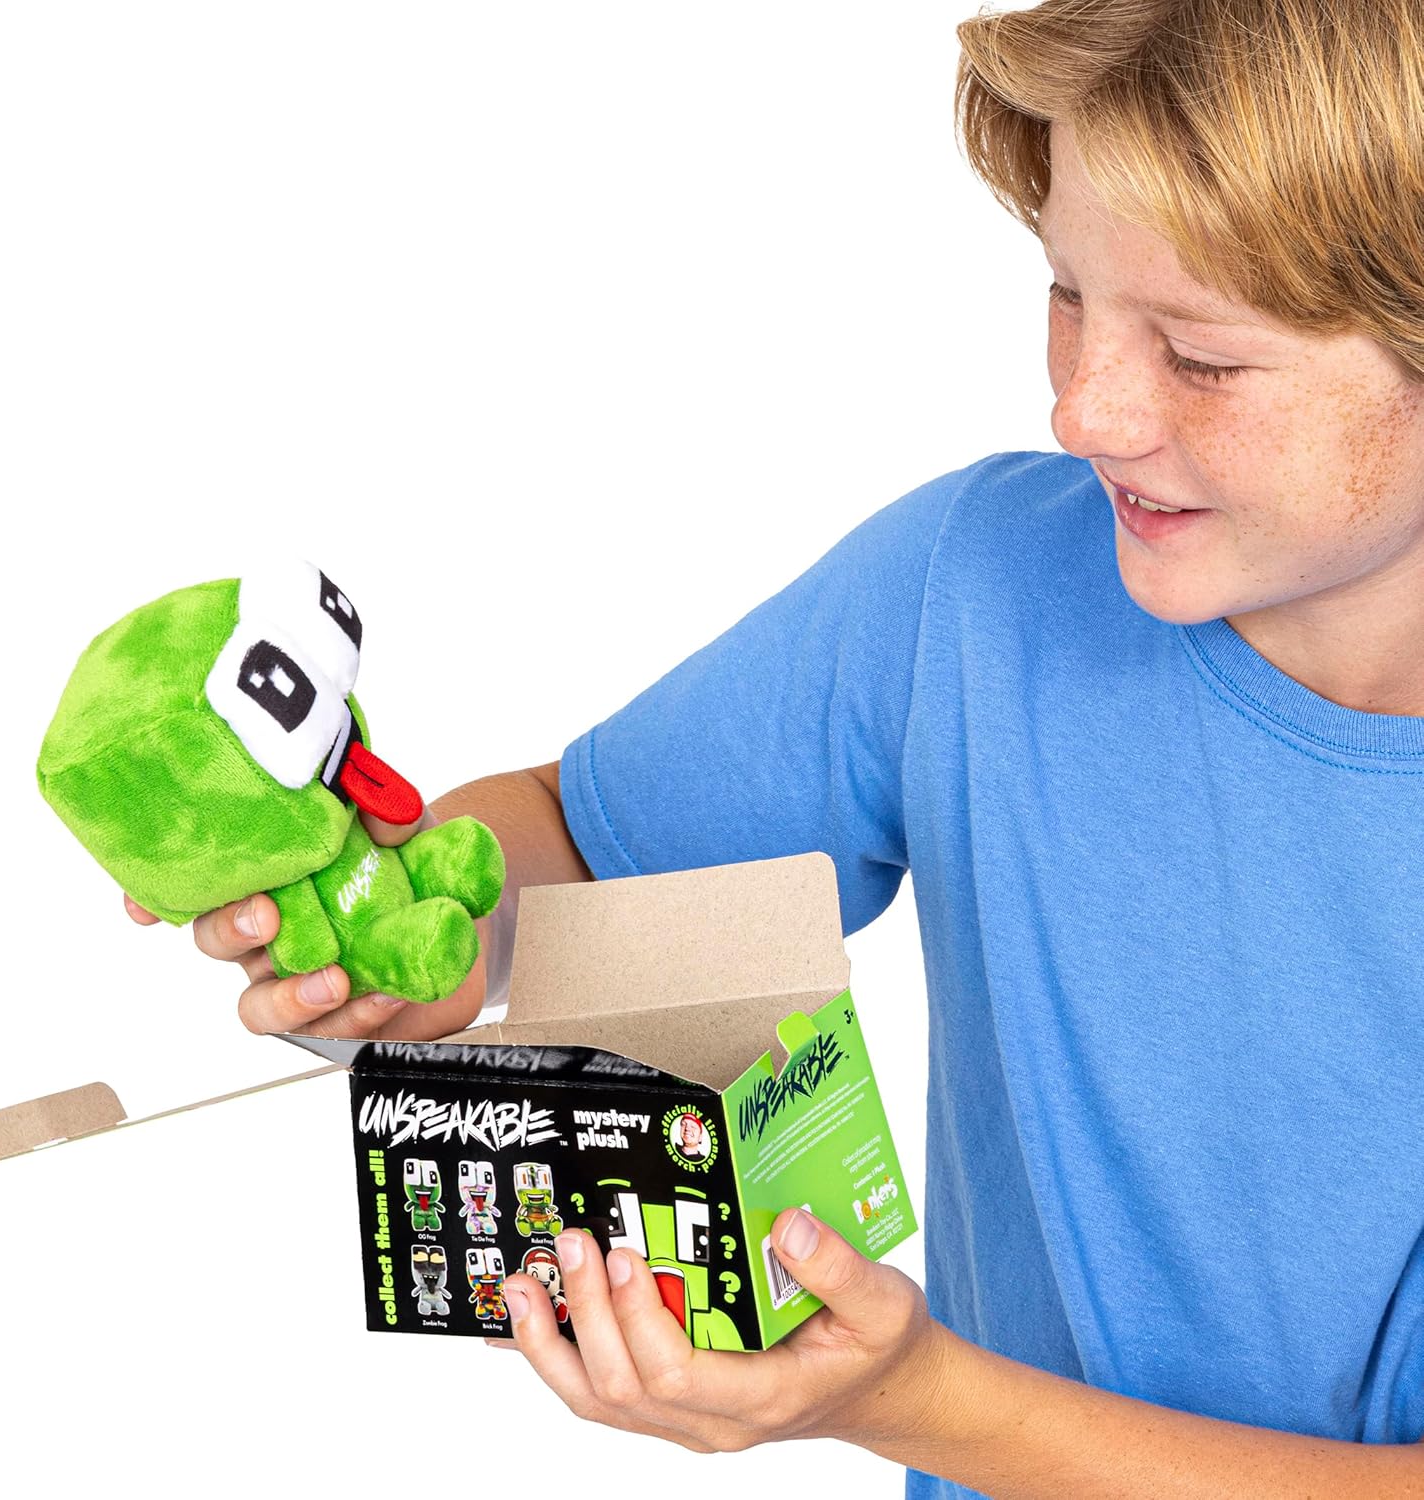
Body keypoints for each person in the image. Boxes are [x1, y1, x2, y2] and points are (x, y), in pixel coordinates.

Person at [126, 2, 1424, 1494]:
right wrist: (411, 926)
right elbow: (582, 839)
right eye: (1067, 294)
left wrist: (913, 1400)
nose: (1085, 409)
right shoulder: (976, 588)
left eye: (1200, 357)